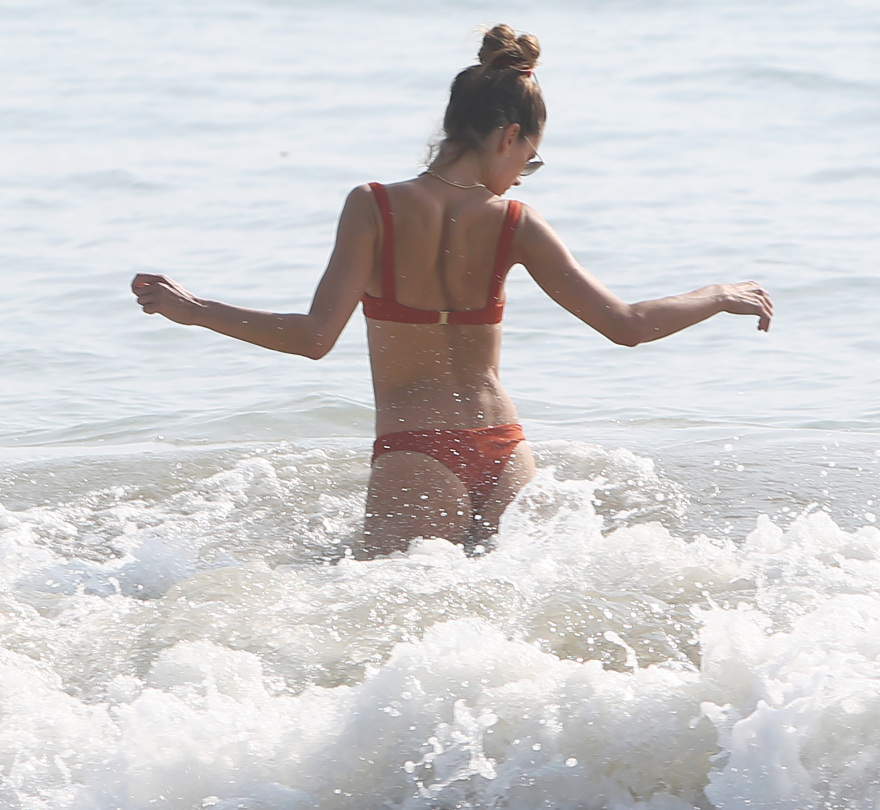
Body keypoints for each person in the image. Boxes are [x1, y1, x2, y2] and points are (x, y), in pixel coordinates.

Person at [132, 24, 773, 559]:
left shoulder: (373, 206)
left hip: (417, 452)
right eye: (529, 159)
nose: (522, 177)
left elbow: (312, 338)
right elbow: (625, 323)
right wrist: (716, 294)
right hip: (506, 451)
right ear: (505, 137)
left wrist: (194, 311)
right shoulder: (515, 225)